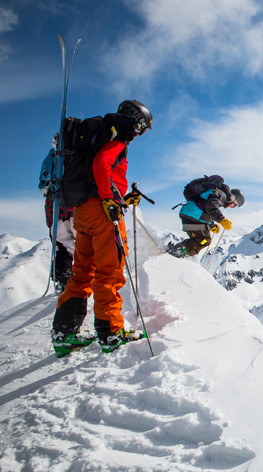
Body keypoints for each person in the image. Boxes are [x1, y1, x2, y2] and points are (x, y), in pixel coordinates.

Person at [51, 100, 152, 356]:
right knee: (110, 271)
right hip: (103, 212)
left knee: (83, 270)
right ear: (137, 121)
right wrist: (108, 198)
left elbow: (97, 171)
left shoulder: (99, 135)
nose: (139, 134)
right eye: (142, 129)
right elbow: (101, 165)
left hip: (83, 211)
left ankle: (65, 332)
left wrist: (120, 198)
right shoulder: (119, 135)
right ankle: (111, 332)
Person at [167, 178, 244, 258]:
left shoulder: (218, 193)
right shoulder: (222, 195)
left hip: (190, 214)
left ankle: (176, 250)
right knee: (205, 240)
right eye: (234, 205)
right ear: (233, 199)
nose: (233, 207)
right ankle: (176, 253)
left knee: (201, 239)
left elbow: (206, 210)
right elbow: (211, 207)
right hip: (192, 216)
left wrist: (212, 226)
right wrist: (222, 220)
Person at [39, 134, 76, 291]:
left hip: (55, 206)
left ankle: (63, 280)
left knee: (61, 245)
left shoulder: (51, 157)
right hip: (76, 205)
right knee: (84, 243)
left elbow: (43, 184)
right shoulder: (79, 155)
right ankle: (85, 278)